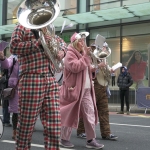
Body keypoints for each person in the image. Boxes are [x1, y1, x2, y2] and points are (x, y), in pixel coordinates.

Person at [9, 23, 66, 150]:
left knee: (55, 125)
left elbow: (61, 42)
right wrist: (37, 43)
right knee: (26, 126)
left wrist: (62, 51)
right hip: (31, 77)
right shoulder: (22, 26)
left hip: (50, 79)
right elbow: (13, 46)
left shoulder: (47, 27)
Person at [59, 32, 104, 149]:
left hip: (86, 89)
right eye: (80, 41)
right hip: (73, 90)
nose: (83, 43)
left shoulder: (83, 54)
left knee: (90, 113)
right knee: (69, 114)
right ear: (74, 43)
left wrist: (97, 67)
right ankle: (64, 139)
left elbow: (86, 68)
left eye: (83, 41)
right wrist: (87, 57)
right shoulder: (69, 54)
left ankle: (91, 139)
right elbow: (75, 67)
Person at [77, 43, 118, 141]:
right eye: (96, 50)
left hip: (103, 88)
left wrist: (111, 71)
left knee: (104, 112)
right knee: (87, 111)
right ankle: (81, 131)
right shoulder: (89, 58)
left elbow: (106, 73)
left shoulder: (103, 59)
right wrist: (99, 66)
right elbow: (88, 69)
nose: (99, 52)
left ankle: (106, 133)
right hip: (93, 88)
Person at [0, 51, 19, 139]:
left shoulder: (29, 56)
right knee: (16, 112)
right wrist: (3, 58)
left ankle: (23, 130)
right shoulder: (13, 57)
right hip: (15, 88)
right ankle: (15, 131)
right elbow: (6, 65)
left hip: (28, 85)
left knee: (26, 110)